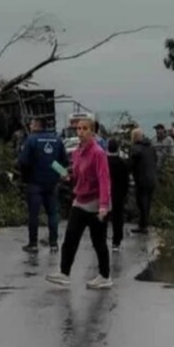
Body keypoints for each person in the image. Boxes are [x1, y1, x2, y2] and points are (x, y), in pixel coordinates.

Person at [46, 117, 113, 290]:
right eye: (78, 129)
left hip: (96, 203)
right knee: (70, 238)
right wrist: (66, 176)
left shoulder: (98, 153)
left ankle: (105, 276)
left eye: (84, 129)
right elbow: (76, 176)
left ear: (92, 132)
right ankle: (64, 273)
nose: (80, 132)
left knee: (98, 242)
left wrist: (104, 205)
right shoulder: (77, 152)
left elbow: (104, 179)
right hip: (80, 200)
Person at [18, 118, 68, 253]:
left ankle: (33, 244)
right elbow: (63, 162)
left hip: (34, 183)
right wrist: (58, 174)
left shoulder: (31, 140)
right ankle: (54, 244)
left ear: (37, 125)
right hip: (52, 183)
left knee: (34, 214)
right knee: (52, 213)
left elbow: (23, 162)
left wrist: (25, 178)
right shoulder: (57, 140)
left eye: (32, 123)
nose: (30, 125)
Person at [129, 128, 158, 235]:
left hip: (142, 180)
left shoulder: (135, 149)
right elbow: (155, 160)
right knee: (147, 202)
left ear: (134, 137)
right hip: (152, 178)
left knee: (141, 203)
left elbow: (130, 164)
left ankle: (143, 226)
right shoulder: (151, 147)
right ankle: (143, 224)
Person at [106, 138, 129, 251]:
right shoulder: (122, 163)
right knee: (117, 219)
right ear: (118, 149)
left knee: (102, 217)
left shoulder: (104, 162)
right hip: (118, 195)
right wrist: (124, 194)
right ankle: (116, 242)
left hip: (105, 194)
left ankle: (100, 238)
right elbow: (126, 182)